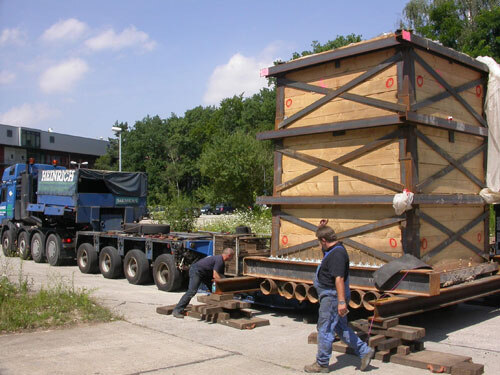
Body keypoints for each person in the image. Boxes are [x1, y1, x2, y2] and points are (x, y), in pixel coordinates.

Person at [304, 221, 374, 373]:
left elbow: (339, 279)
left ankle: (321, 364)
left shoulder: (337, 254)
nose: (319, 246)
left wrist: (341, 302)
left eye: (320, 241)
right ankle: (364, 351)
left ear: (324, 241)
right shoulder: (333, 249)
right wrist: (320, 228)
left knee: (325, 329)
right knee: (341, 328)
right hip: (331, 296)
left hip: (332, 297)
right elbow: (326, 253)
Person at [172, 247, 235, 318]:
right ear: (229, 255)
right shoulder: (219, 260)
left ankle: (218, 306)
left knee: (214, 290)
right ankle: (177, 310)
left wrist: (227, 283)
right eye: (232, 256)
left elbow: (220, 275)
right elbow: (215, 275)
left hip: (205, 274)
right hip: (196, 271)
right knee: (192, 291)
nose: (232, 258)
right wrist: (224, 284)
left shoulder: (221, 262)